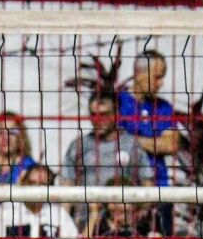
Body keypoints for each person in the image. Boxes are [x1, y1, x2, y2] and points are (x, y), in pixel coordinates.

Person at [62, 91, 152, 228]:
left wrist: (143, 212)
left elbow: (147, 183)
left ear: (116, 114)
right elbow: (66, 187)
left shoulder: (131, 145)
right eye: (93, 114)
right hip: (84, 224)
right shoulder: (78, 146)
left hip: (121, 226)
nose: (98, 120)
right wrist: (64, 224)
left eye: (104, 114)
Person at [118, 50, 181, 236]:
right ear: (139, 73)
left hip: (158, 190)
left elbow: (171, 144)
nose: (161, 83)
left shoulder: (163, 107)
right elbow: (114, 142)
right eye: (157, 77)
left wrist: (131, 139)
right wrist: (154, 142)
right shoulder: (119, 103)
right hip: (126, 193)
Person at [0, 164, 78, 239]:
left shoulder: (59, 214)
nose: (36, 189)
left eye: (42, 185)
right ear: (23, 184)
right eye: (32, 183)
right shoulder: (6, 210)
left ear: (50, 188)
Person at [89, 177, 166, 239]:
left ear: (133, 204)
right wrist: (94, 214)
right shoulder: (99, 222)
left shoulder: (147, 221)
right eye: (112, 200)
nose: (116, 206)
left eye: (121, 201)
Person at [0, 112, 37, 187]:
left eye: (12, 132)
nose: (6, 138)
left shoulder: (29, 166)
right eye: (0, 132)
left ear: (21, 136)